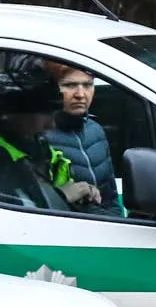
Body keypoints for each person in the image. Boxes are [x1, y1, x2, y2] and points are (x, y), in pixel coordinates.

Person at [0, 79, 84, 210]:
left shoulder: (26, 139)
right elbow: (11, 210)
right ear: (11, 112)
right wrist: (61, 196)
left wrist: (77, 191)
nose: (51, 125)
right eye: (46, 114)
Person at [43, 64, 121, 214]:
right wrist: (62, 195)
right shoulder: (39, 136)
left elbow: (111, 199)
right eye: (69, 85)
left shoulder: (96, 131)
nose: (80, 94)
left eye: (87, 85)